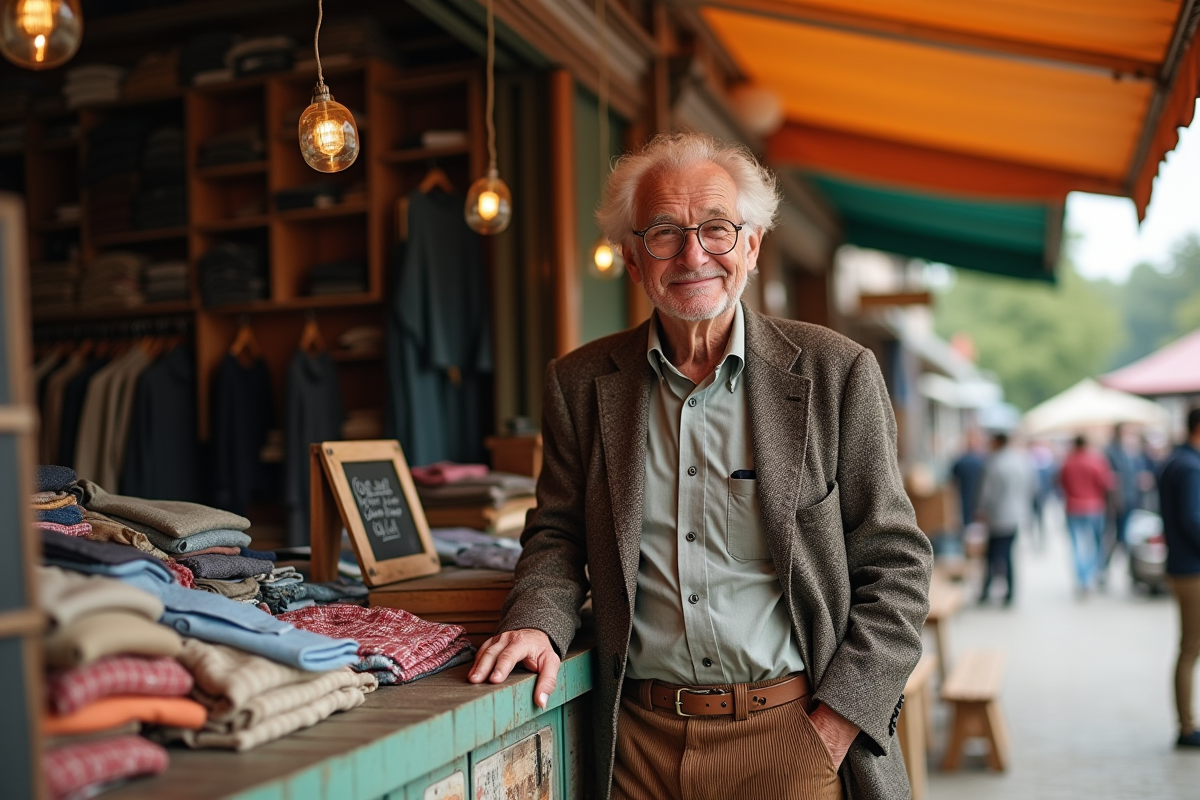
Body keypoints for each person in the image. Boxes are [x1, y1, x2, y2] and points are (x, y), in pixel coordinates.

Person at [468, 132, 933, 800]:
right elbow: (557, 537)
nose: (692, 254)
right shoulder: (579, 383)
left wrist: (835, 725)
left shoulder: (837, 373)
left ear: (751, 245)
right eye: (663, 232)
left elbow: (897, 563)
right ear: (632, 257)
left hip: (793, 740)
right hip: (638, 748)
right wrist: (536, 621)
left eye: (716, 228)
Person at [1160, 407, 1200, 748]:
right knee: (1190, 649)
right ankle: (1186, 727)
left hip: (1182, 564)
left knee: (1189, 647)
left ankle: (1186, 724)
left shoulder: (1177, 461)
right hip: (1191, 569)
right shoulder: (1189, 466)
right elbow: (1193, 519)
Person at [975, 432, 1036, 605]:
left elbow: (989, 493)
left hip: (998, 516)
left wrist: (982, 510)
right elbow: (1032, 487)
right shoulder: (1021, 461)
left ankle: (987, 590)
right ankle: (1009, 592)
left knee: (992, 556)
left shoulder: (995, 463)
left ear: (997, 442)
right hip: (1017, 515)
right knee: (1008, 554)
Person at [1058, 435, 1115, 595]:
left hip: (1073, 507)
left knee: (1076, 545)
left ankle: (1081, 578)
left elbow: (1060, 483)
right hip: (1094, 507)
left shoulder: (1067, 462)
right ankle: (1089, 575)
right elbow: (1106, 483)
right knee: (1095, 545)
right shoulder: (1096, 461)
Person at [1104, 423, 1153, 576]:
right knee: (1120, 536)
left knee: (1125, 535)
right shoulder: (1111, 452)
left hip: (1131, 498)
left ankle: (1122, 569)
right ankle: (1109, 568)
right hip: (1119, 500)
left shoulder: (1129, 451)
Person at [951, 428, 988, 544]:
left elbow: (952, 482)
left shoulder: (960, 462)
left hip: (963, 501)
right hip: (980, 502)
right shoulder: (984, 461)